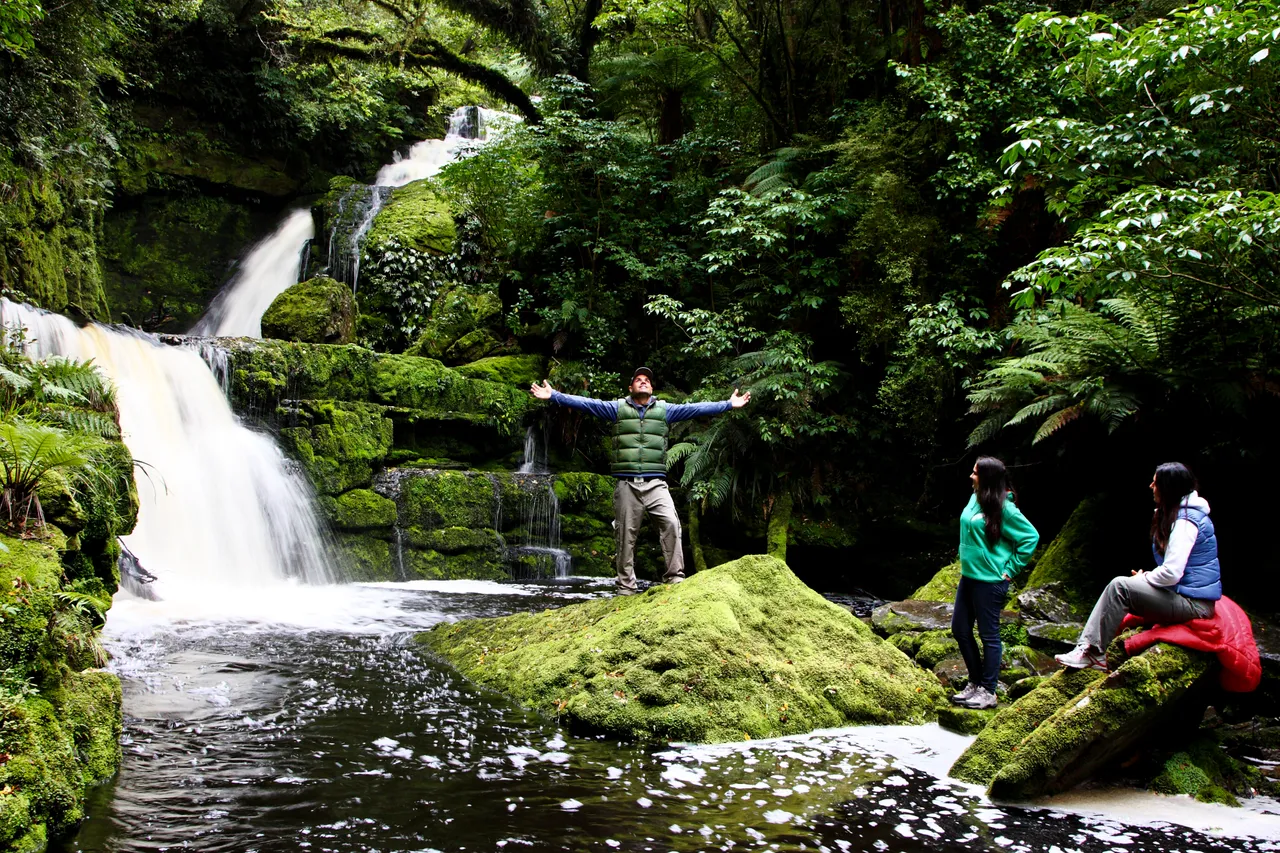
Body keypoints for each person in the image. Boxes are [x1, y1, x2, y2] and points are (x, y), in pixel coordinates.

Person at [530, 367, 750, 595]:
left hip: (656, 483)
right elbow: (587, 404)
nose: (643, 382)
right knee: (625, 535)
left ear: (652, 388)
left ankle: (675, 578)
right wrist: (554, 395)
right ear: (630, 388)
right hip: (626, 485)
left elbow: (694, 409)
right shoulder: (617, 409)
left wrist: (728, 404)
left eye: (647, 380)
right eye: (638, 380)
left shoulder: (665, 410)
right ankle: (626, 586)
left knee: (671, 524)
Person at [1056, 462, 1220, 671]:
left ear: (1168, 488)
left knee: (1120, 587)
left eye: (1156, 482)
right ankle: (1089, 649)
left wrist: (1142, 580)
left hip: (1195, 606)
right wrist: (1147, 578)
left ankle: (1092, 652)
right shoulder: (1182, 514)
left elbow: (1172, 573)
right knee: (1123, 587)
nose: (1151, 486)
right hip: (1187, 597)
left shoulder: (1186, 522)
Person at [951, 457, 1040, 710]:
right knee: (960, 629)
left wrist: (1010, 569)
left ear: (987, 479)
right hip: (969, 577)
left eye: (975, 473)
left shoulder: (1005, 509)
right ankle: (975, 682)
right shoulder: (975, 497)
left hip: (990, 582)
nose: (971, 476)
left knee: (989, 635)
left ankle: (988, 690)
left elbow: (1030, 537)